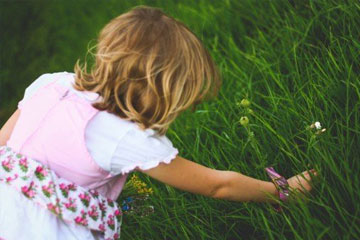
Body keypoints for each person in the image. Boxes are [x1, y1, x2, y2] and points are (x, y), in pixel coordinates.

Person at [0, 5, 317, 240]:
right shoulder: (122, 135)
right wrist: (283, 191)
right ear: (163, 90)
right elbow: (217, 184)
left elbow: (4, 142)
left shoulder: (51, 83)